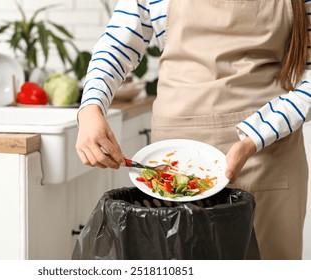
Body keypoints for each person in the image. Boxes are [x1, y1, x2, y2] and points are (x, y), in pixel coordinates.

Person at [75, 0, 311, 260]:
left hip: (267, 151)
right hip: (175, 160)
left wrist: (256, 136)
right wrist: (91, 108)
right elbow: (117, 44)